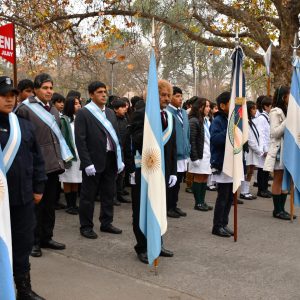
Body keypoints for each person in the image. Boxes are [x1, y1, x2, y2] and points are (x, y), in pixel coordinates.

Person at [0, 76, 47, 299]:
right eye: (4, 96)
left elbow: (38, 159)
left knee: (23, 244)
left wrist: (38, 188)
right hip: (0, 202)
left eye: (13, 95)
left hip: (22, 199)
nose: (9, 100)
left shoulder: (24, 126)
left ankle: (24, 289)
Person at [16, 73, 71, 257]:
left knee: (50, 205)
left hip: (54, 164)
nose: (49, 91)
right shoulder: (25, 109)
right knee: (36, 207)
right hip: (36, 166)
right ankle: (33, 242)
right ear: (36, 89)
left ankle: (47, 237)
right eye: (45, 88)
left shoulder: (53, 109)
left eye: (51, 88)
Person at [126, 79, 176, 264]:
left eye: (169, 95)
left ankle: (157, 243)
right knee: (142, 209)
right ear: (154, 96)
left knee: (159, 207)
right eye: (163, 95)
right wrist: (152, 127)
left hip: (163, 171)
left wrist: (172, 171)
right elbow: (137, 140)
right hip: (144, 169)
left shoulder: (169, 116)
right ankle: (141, 247)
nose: (167, 99)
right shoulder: (141, 114)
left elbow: (171, 147)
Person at [75, 81, 124, 239]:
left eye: (105, 92)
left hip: (110, 159)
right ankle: (86, 226)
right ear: (91, 95)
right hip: (93, 161)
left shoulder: (110, 113)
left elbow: (116, 138)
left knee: (109, 193)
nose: (104, 95)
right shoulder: (84, 113)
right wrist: (87, 162)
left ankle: (106, 222)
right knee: (88, 196)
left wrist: (119, 158)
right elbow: (80, 141)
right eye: (99, 92)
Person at [264, 86, 296, 220]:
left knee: (286, 180)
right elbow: (274, 132)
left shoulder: (288, 110)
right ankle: (277, 210)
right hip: (279, 151)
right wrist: (288, 121)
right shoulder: (275, 112)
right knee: (278, 179)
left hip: (287, 150)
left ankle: (282, 209)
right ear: (284, 97)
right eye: (289, 95)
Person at [210, 92, 234, 238]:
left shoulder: (231, 119)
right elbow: (216, 139)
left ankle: (224, 223)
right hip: (222, 162)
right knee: (223, 196)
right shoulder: (218, 120)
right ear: (222, 105)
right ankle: (217, 225)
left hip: (232, 163)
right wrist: (230, 130)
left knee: (230, 197)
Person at [166, 86, 190, 218]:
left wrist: (189, 148)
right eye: (177, 96)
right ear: (170, 97)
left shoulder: (184, 113)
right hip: (173, 155)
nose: (180, 99)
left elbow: (187, 132)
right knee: (171, 182)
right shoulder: (167, 112)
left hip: (183, 154)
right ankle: (168, 207)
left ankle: (174, 205)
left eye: (181, 96)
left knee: (178, 182)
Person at [188, 97, 213, 212]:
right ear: (200, 107)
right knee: (198, 177)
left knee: (205, 177)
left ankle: (202, 201)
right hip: (198, 154)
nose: (208, 108)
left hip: (207, 153)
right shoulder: (194, 120)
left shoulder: (206, 120)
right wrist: (194, 157)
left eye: (209, 106)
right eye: (206, 106)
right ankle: (198, 202)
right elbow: (191, 140)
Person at [59, 96, 82, 215]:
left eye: (79, 103)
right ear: (69, 105)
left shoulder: (78, 118)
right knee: (67, 179)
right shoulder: (63, 120)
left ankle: (74, 204)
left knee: (76, 179)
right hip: (68, 155)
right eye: (76, 103)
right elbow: (62, 138)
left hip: (78, 154)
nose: (79, 105)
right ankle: (69, 205)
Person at [240, 101, 262, 200]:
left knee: (251, 171)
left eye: (255, 108)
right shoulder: (244, 121)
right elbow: (249, 139)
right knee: (247, 170)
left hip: (253, 151)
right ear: (248, 110)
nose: (255, 110)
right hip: (248, 151)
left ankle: (247, 191)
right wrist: (259, 150)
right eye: (253, 108)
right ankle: (243, 192)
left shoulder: (250, 121)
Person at [112, 98, 131, 205]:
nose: (125, 109)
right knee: (115, 174)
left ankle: (119, 194)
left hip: (124, 149)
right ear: (115, 109)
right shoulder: (113, 120)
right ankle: (113, 196)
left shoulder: (125, 119)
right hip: (116, 150)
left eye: (125, 107)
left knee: (122, 174)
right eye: (122, 107)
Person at [255, 96, 272, 198]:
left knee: (266, 170)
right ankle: (261, 190)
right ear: (265, 107)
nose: (272, 108)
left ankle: (265, 188)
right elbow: (261, 135)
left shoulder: (267, 118)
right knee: (262, 170)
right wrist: (264, 149)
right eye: (271, 106)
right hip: (264, 149)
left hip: (268, 147)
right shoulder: (261, 118)